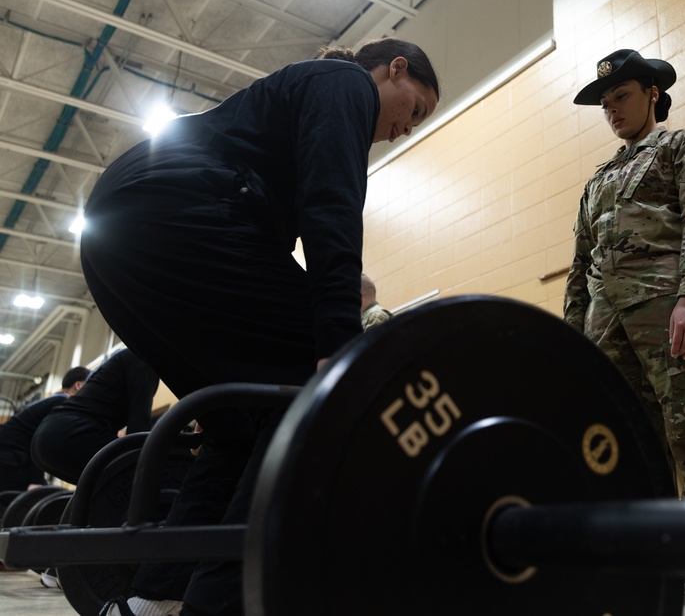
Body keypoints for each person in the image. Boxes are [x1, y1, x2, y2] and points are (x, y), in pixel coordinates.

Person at [80, 38, 440, 616]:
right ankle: (218, 605)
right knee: (317, 389)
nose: (406, 129)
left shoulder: (305, 96)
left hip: (117, 239)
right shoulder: (344, 84)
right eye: (415, 109)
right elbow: (333, 207)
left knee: (241, 427)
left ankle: (152, 603)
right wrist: (334, 343)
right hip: (169, 214)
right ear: (393, 69)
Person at [563, 49, 685, 616]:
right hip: (609, 336)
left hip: (677, 326)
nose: (611, 110)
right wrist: (572, 344)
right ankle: (644, 586)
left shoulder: (682, 148)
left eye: (620, 96)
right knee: (630, 460)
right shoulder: (599, 180)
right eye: (604, 103)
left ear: (651, 93)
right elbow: (580, 268)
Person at [0, 365, 89, 571]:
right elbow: (38, 442)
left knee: (14, 501)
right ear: (78, 386)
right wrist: (35, 480)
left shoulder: (53, 401)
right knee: (36, 501)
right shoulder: (62, 402)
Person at [31, 347, 159, 485]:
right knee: (130, 474)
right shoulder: (143, 358)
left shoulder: (122, 360)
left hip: (43, 441)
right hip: (69, 432)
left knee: (104, 490)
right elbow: (139, 426)